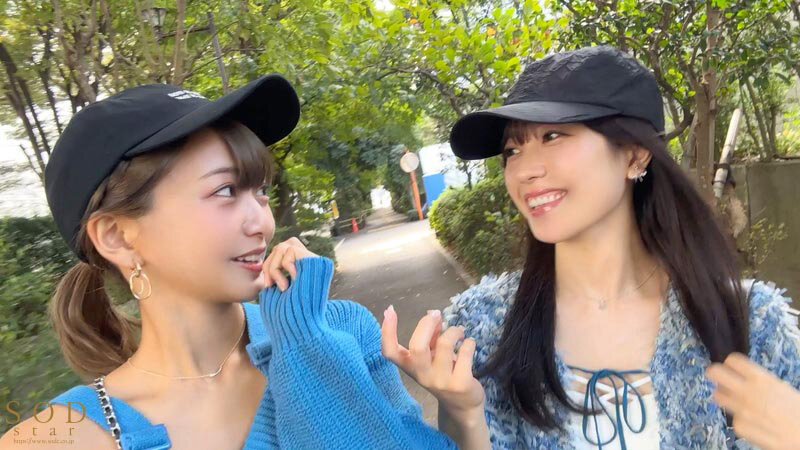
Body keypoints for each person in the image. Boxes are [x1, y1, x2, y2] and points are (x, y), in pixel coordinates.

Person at [0, 76, 459, 449]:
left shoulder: (339, 330)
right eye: (224, 191)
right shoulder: (57, 438)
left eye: (260, 190)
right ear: (117, 236)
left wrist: (305, 341)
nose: (262, 222)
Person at [381, 46, 800, 449]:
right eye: (512, 149)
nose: (525, 170)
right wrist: (464, 415)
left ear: (635, 156)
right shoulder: (483, 327)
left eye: (553, 135)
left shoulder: (750, 321)